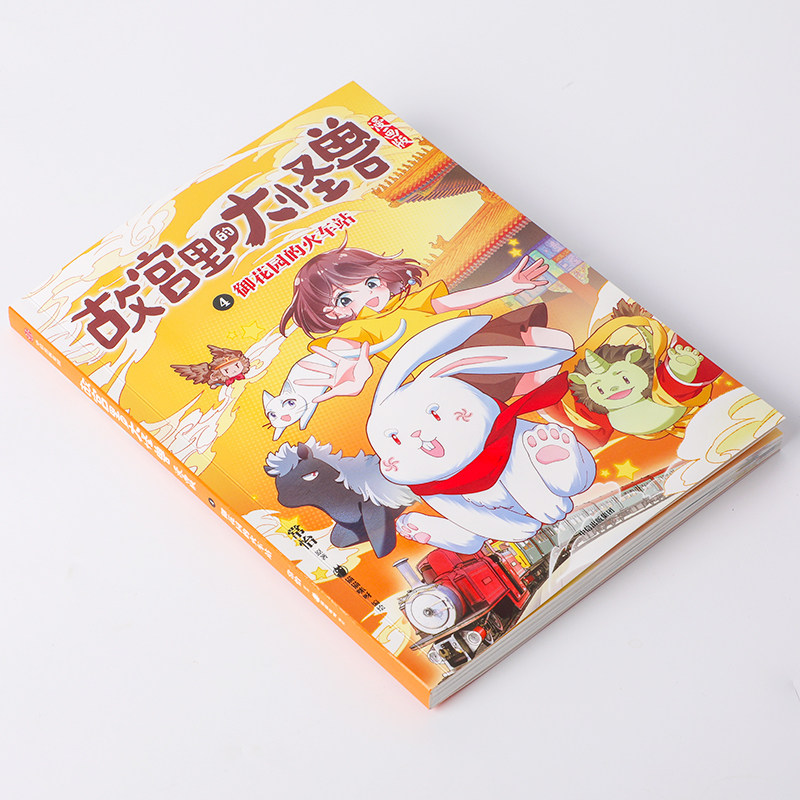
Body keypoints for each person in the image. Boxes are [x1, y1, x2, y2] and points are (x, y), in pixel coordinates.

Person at [278, 244, 573, 405]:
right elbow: (341, 349)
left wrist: (506, 286)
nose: (369, 296)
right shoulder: (358, 328)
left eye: (370, 283)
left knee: (556, 342)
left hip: (480, 336)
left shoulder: (407, 302)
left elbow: (454, 302)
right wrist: (351, 372)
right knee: (531, 384)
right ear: (331, 313)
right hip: (452, 368)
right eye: (345, 299)